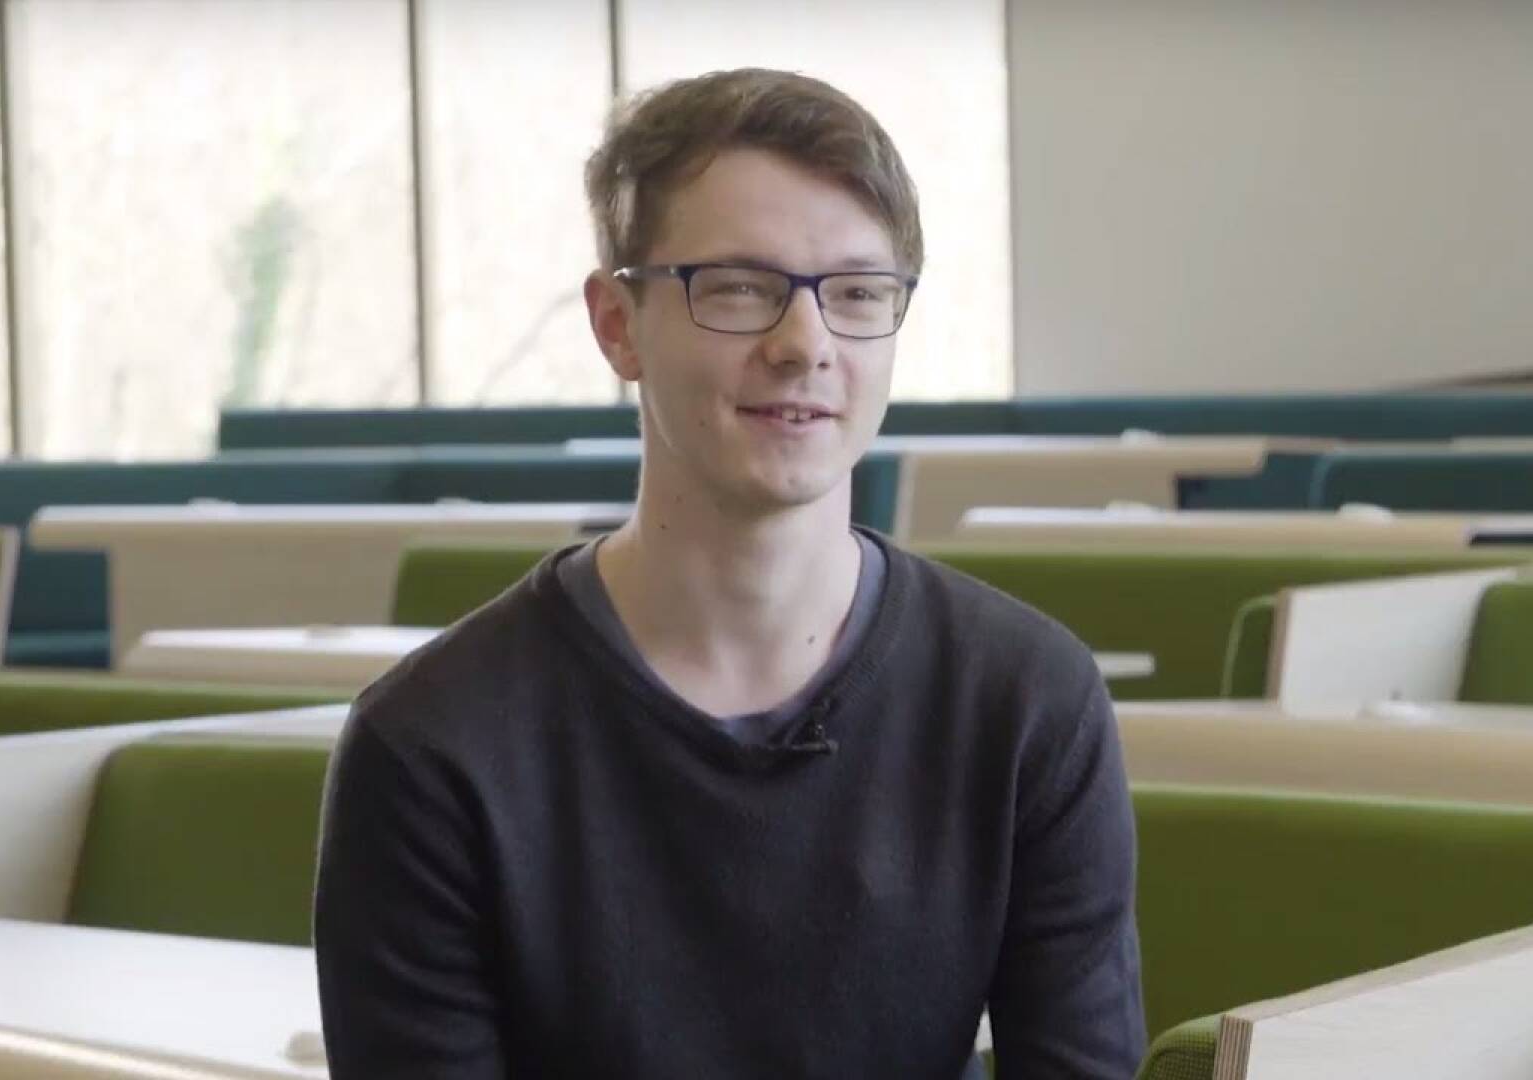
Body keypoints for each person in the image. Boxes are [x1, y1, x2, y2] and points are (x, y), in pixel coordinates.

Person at [314, 67, 1144, 1079]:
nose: (806, 345)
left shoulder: (1027, 702)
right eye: (741, 289)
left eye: (856, 294)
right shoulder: (433, 747)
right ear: (618, 323)